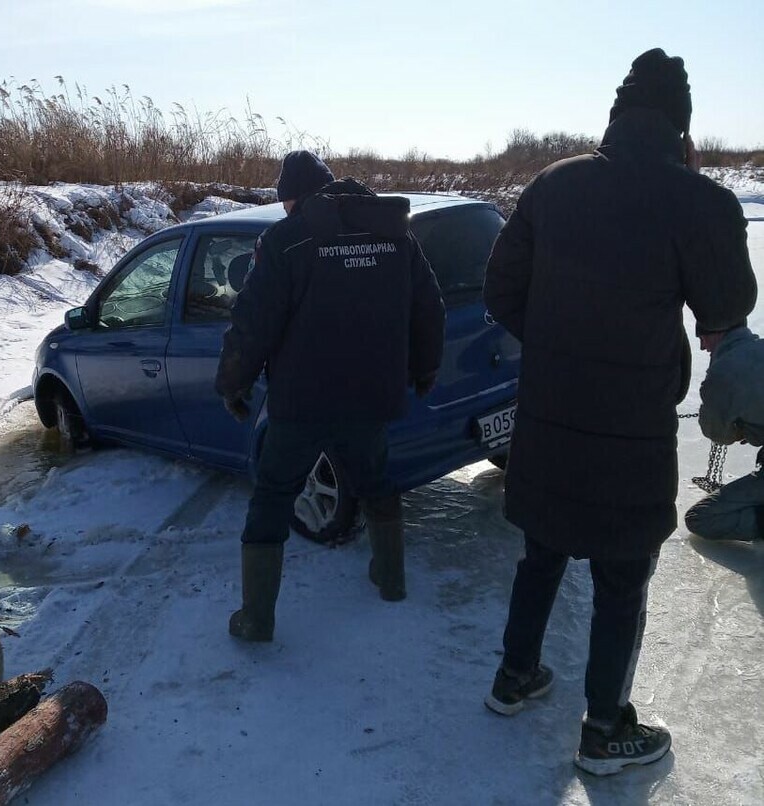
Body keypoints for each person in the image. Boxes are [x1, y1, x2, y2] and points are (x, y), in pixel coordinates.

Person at [482, 48, 757, 776]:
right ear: (682, 129)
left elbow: (500, 292)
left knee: (541, 552)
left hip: (545, 417)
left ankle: (515, 679)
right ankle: (605, 729)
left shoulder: (554, 183)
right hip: (629, 431)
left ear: (616, 114)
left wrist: (558, 346)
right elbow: (728, 305)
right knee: (620, 575)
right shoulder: (697, 200)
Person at [216, 150, 445, 642]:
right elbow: (429, 307)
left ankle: (257, 618)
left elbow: (252, 323)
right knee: (377, 483)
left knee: (273, 496)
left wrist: (233, 383)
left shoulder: (285, 240)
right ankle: (391, 580)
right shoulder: (392, 231)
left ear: (294, 197)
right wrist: (424, 369)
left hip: (302, 401)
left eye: (285, 202)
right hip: (370, 395)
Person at [685, 324, 764, 541]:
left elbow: (718, 434)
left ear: (718, 331)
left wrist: (739, 429)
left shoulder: (723, 373)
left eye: (703, 337)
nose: (702, 347)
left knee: (699, 518)